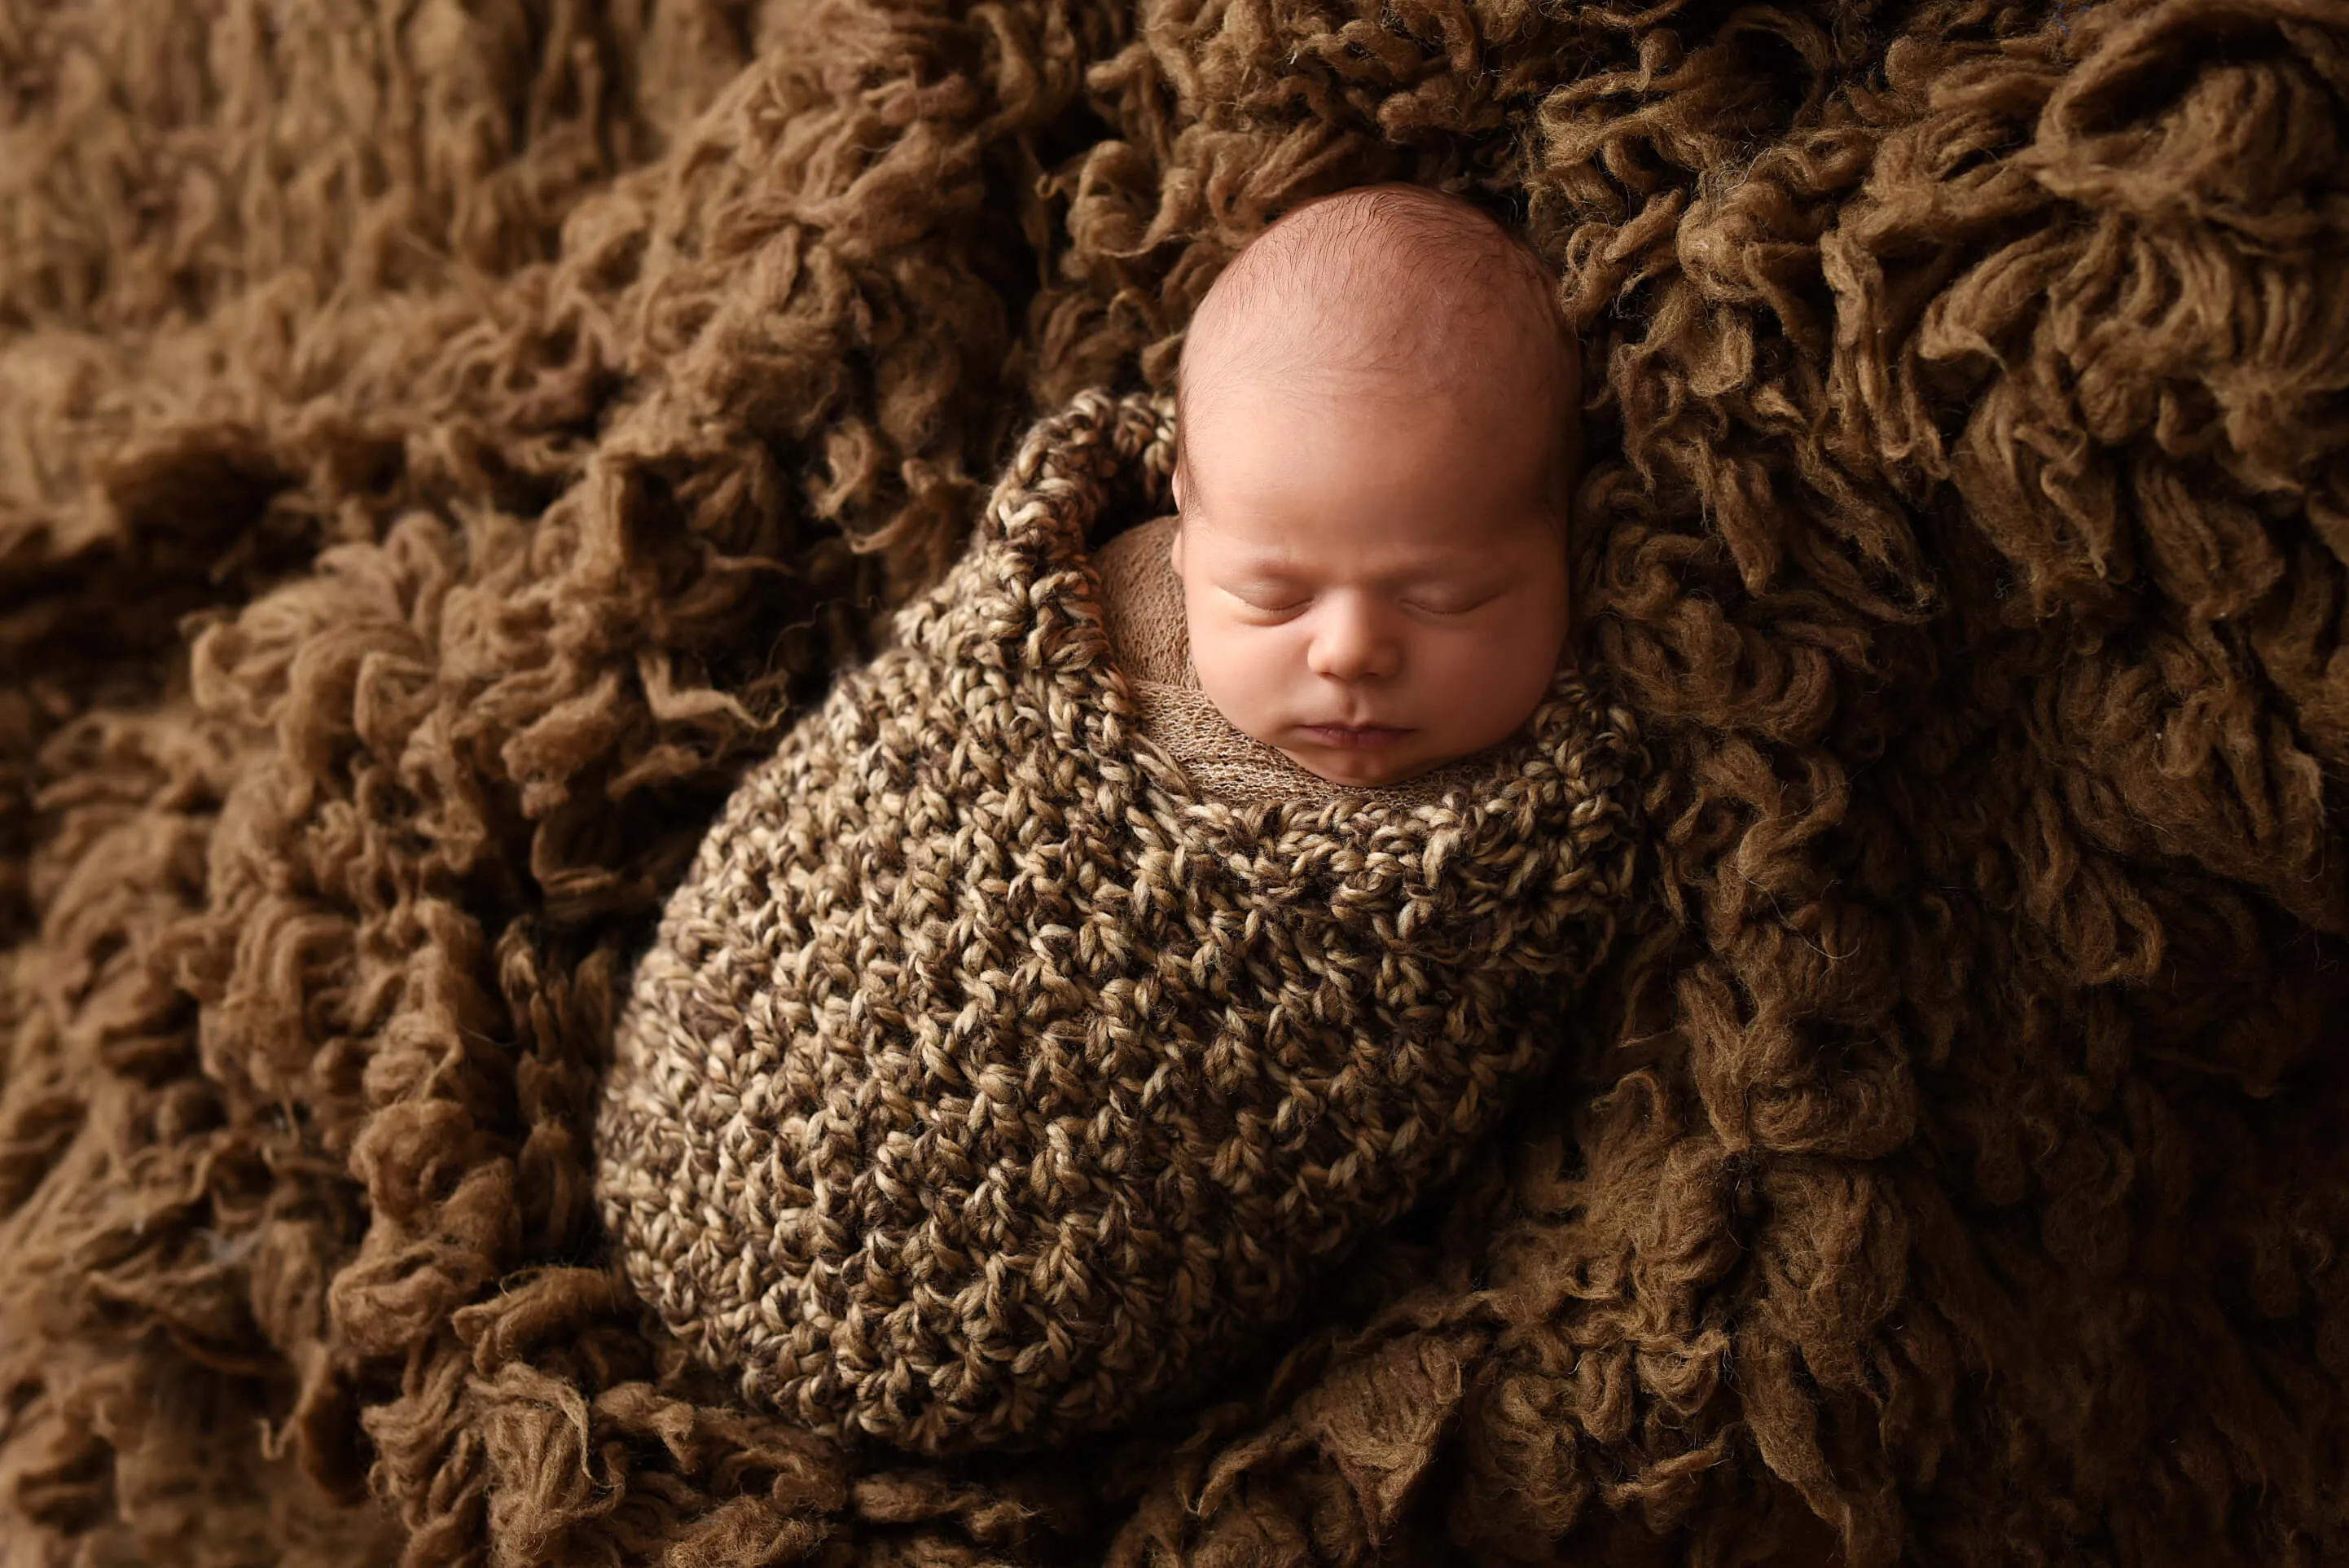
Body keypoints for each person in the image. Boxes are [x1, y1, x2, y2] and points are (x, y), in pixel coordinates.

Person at [1095, 182, 1582, 788]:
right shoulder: (1095, 633)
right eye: (1272, 597)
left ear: (1566, 548)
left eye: (1444, 600)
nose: (1349, 653)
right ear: (1184, 540)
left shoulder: (1606, 765)